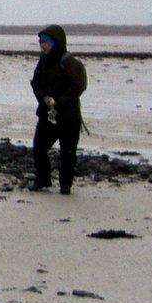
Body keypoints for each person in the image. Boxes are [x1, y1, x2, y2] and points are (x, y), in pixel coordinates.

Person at [29, 24, 87, 193]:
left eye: (46, 41)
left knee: (68, 152)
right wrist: (44, 98)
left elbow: (79, 86)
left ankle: (65, 184)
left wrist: (59, 102)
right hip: (47, 114)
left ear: (56, 42)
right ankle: (43, 179)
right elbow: (35, 83)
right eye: (41, 42)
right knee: (39, 147)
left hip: (69, 116)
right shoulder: (43, 61)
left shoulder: (69, 62)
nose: (43, 45)